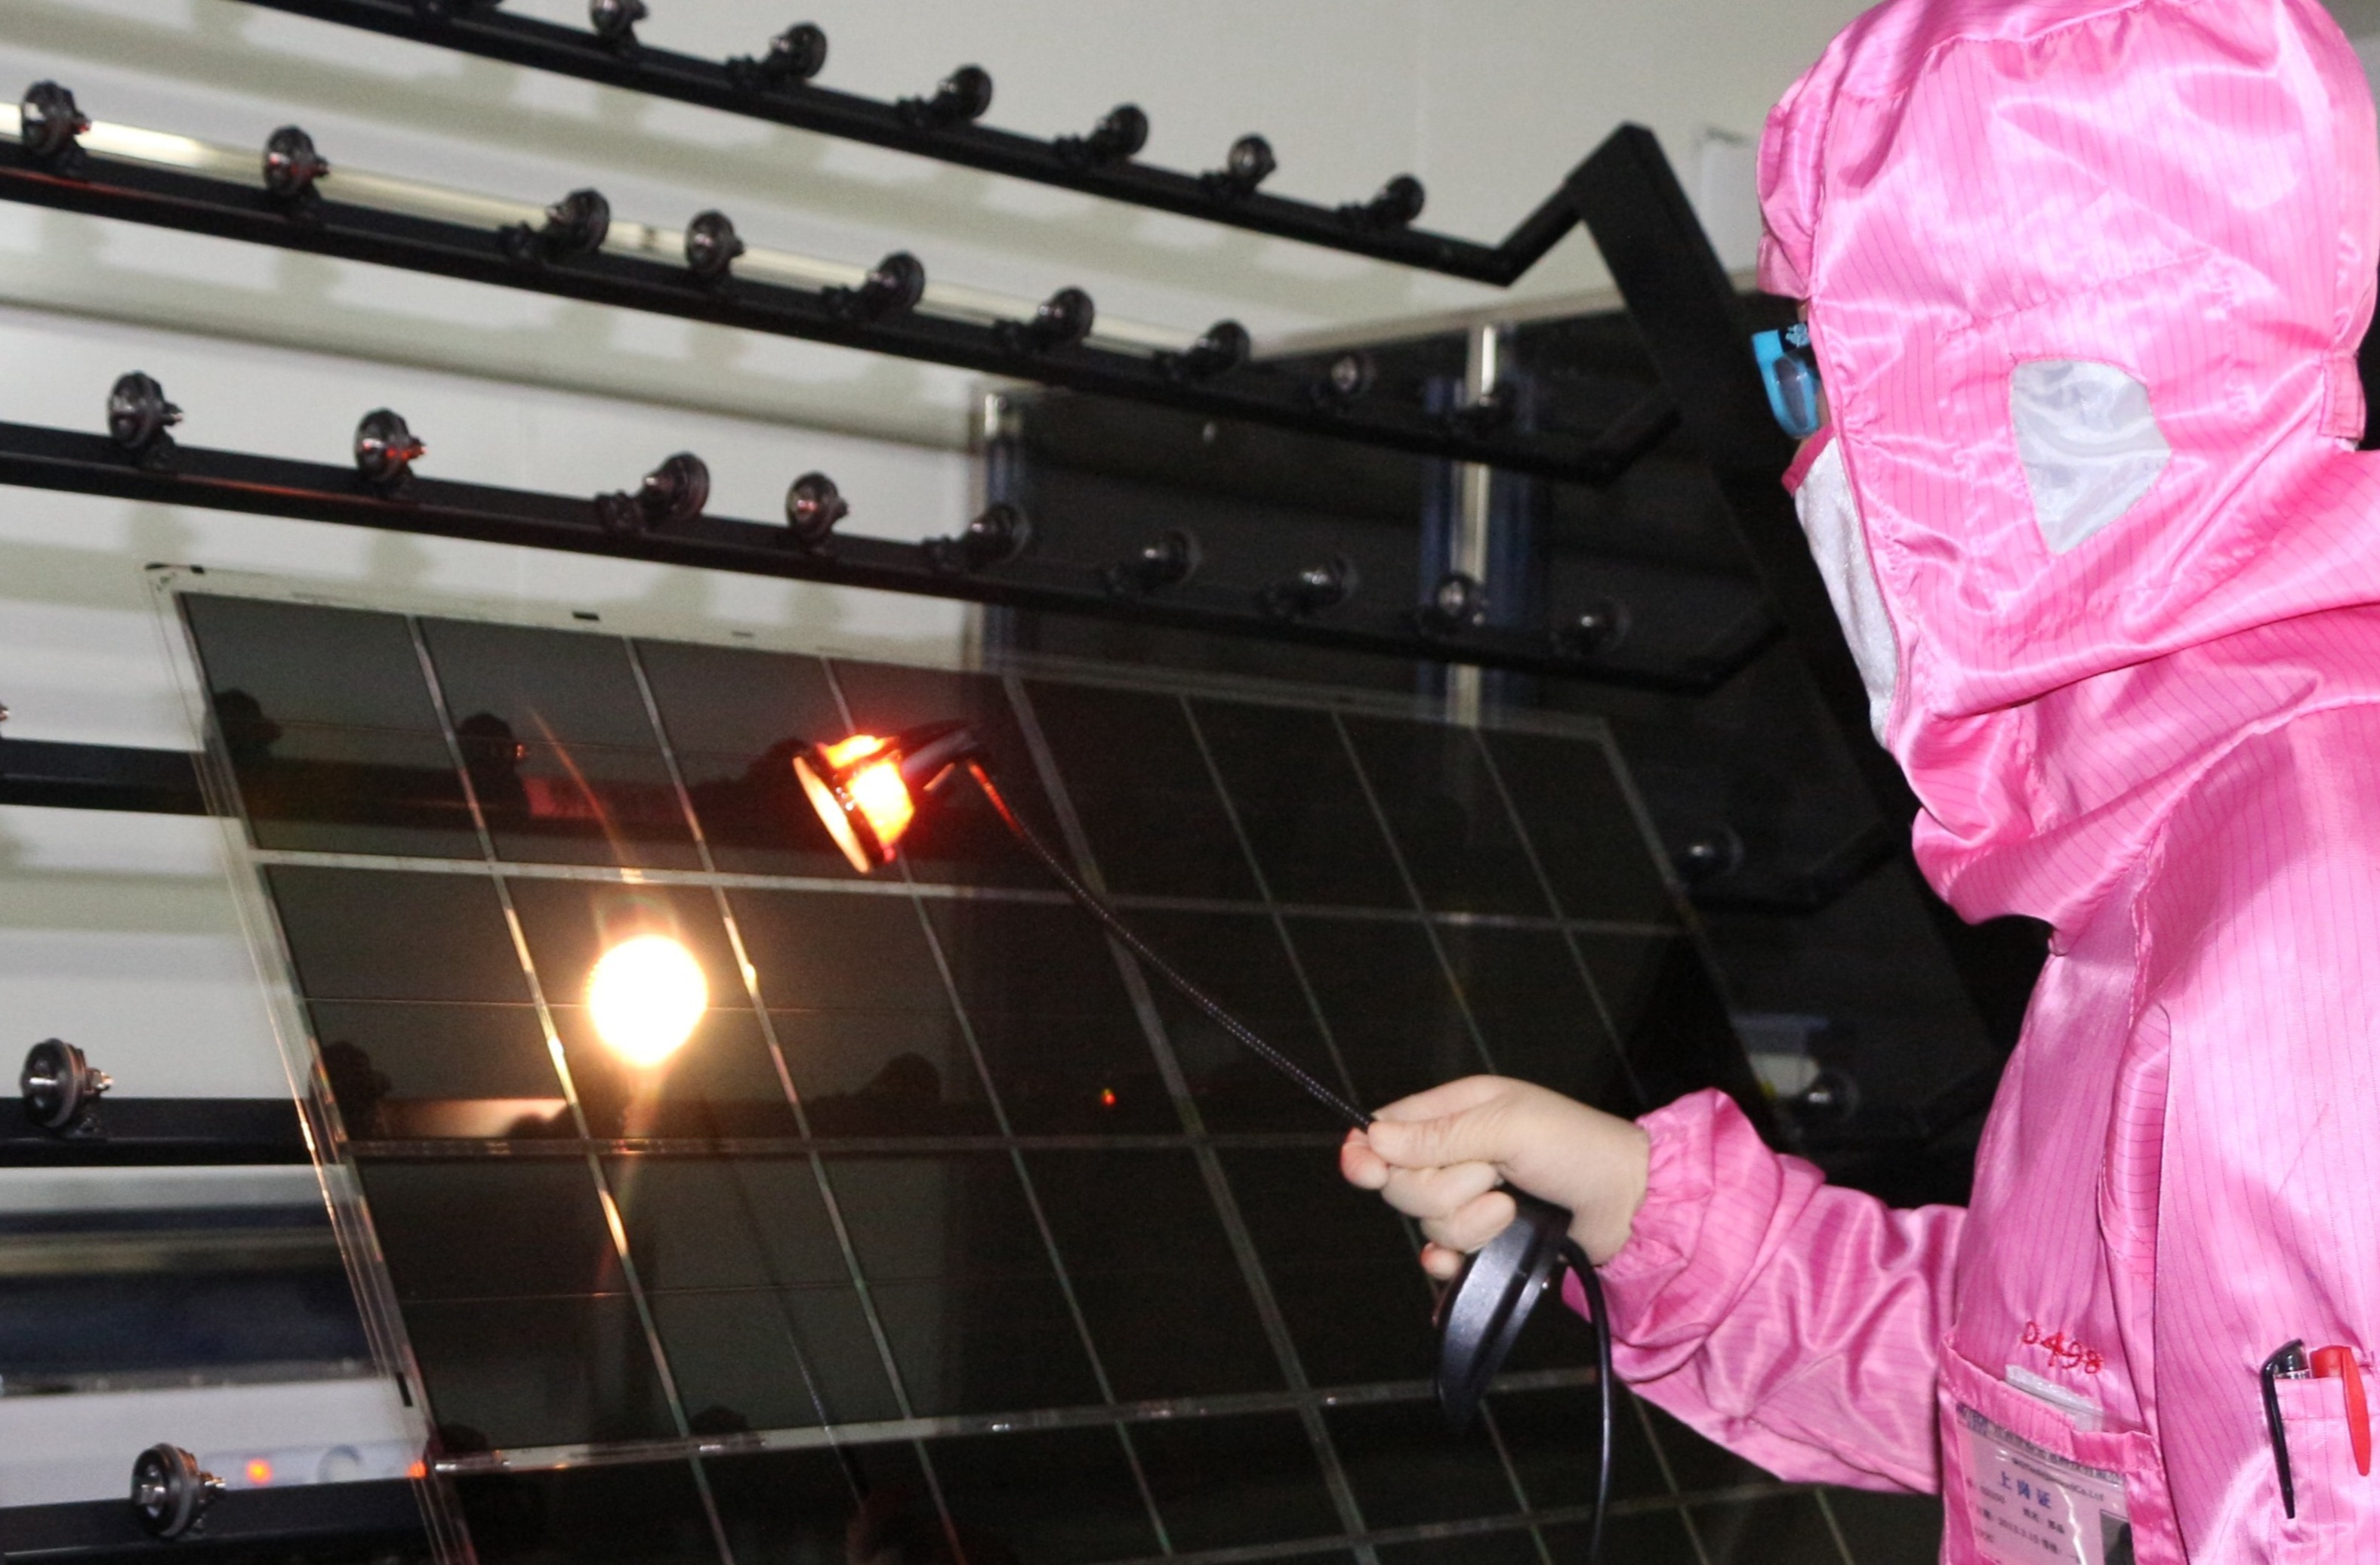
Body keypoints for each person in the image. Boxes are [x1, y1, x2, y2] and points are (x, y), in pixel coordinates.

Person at [1342, 0, 2380, 1557]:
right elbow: (2063, 1408)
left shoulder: (2313, 912)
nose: (1806, 449)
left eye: (1813, 366)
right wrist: (1643, 1209)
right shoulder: (2190, 851)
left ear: (1999, 405)